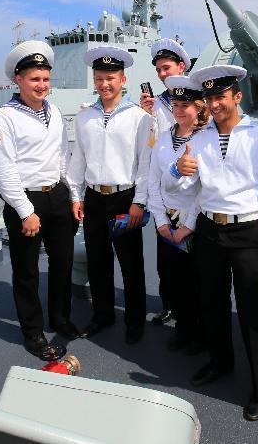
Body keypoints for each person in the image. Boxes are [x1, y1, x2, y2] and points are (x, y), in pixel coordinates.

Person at [172, 65, 258, 422]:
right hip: (209, 229)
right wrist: (178, 172)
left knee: (253, 310)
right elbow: (183, 191)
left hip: (246, 233)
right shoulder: (200, 139)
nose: (214, 103)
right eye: (209, 97)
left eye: (220, 96)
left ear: (236, 97)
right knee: (211, 301)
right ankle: (221, 362)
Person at [0, 40, 81, 361]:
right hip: (24, 199)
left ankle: (60, 317)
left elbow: (62, 157)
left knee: (62, 263)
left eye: (45, 79)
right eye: (34, 79)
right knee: (26, 270)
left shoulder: (53, 112)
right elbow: (2, 170)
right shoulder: (4, 118)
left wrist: (72, 195)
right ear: (19, 80)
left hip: (56, 195)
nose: (41, 85)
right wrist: (26, 211)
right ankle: (33, 333)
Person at [66, 45, 153, 344]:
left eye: (111, 77)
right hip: (93, 198)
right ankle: (102, 315)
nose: (105, 84)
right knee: (98, 261)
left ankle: (134, 320)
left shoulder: (139, 118)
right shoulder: (84, 117)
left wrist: (139, 202)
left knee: (131, 264)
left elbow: (145, 164)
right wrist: (75, 196)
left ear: (123, 79)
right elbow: (78, 159)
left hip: (124, 198)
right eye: (100, 78)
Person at [146, 75, 207, 354]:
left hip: (193, 222)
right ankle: (183, 330)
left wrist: (188, 225)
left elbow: (205, 190)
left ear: (199, 107)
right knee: (173, 278)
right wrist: (160, 221)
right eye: (175, 104)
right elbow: (153, 181)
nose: (180, 110)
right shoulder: (162, 139)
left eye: (186, 105)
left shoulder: (206, 139)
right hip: (166, 221)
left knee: (196, 281)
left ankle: (198, 333)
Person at [141, 37, 190, 325]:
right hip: (164, 188)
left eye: (167, 67)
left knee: (191, 260)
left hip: (191, 189)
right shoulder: (156, 104)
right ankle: (169, 304)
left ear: (181, 66)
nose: (162, 74)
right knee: (166, 260)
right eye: (158, 69)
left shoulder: (197, 98)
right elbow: (151, 144)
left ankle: (191, 312)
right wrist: (145, 115)